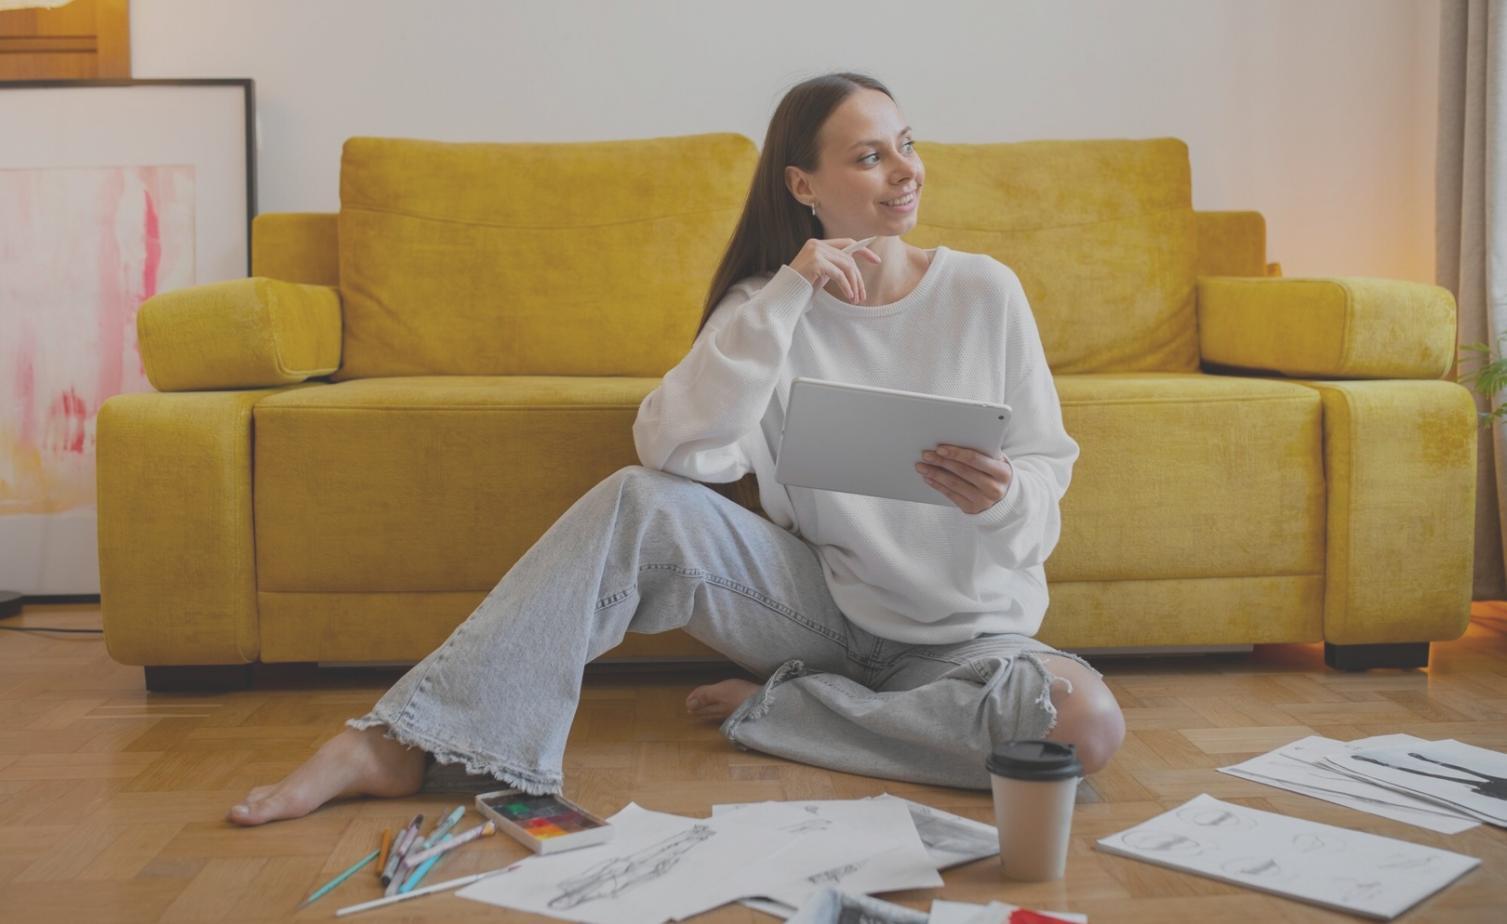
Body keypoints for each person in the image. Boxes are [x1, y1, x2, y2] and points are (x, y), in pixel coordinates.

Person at [226, 72, 1125, 827]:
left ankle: (791, 713)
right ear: (803, 187)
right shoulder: (762, 308)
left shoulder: (982, 292)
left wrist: (1005, 496)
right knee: (634, 498)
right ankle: (395, 741)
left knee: (1082, 726)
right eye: (869, 156)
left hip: (964, 641)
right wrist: (783, 299)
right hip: (822, 607)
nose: (905, 172)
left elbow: (1047, 462)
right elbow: (676, 455)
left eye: (905, 143)